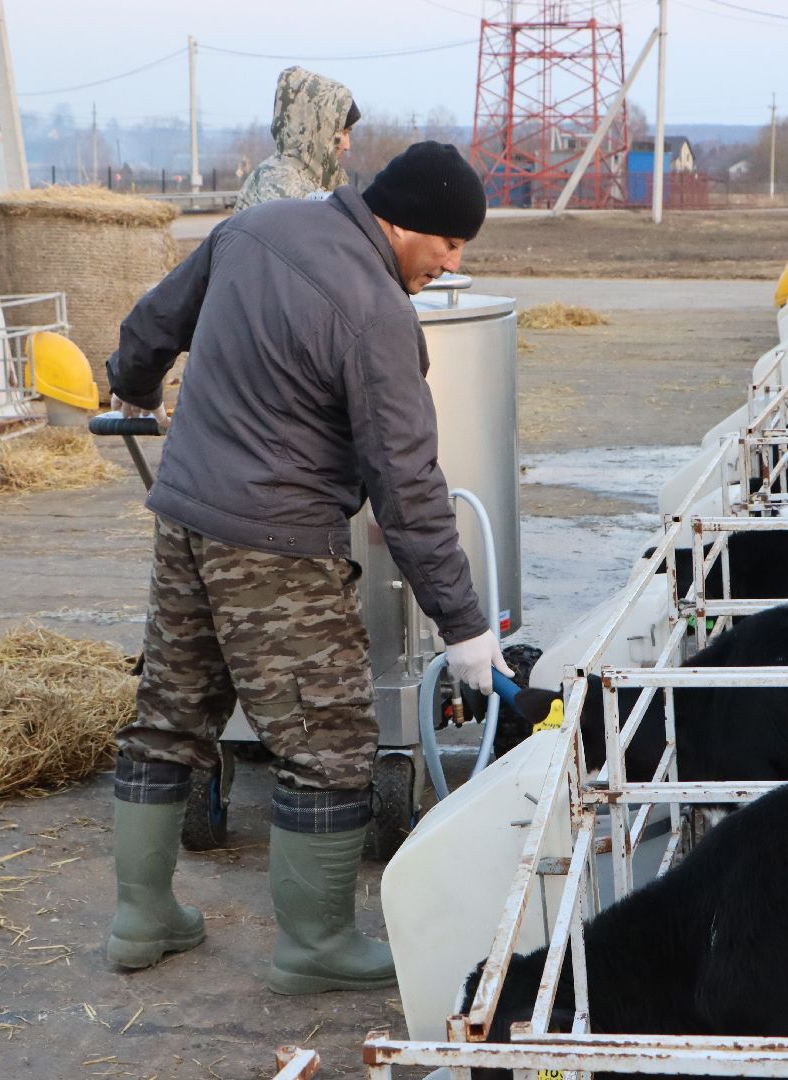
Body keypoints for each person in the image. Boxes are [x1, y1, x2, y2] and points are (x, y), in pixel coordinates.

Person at [103, 141, 512, 994]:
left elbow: (152, 323)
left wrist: (132, 388)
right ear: (398, 222)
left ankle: (141, 919)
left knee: (170, 715)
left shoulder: (251, 228)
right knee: (327, 745)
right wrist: (464, 625)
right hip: (278, 547)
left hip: (184, 517)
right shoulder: (376, 312)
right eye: (446, 243)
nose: (451, 262)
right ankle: (316, 945)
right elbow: (407, 485)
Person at [234, 66, 359, 211]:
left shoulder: (304, 180)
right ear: (320, 132)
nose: (347, 145)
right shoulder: (285, 188)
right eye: (343, 132)